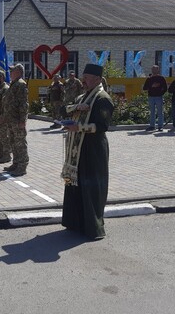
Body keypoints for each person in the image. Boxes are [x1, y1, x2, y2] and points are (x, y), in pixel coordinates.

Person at [61, 63, 114, 240]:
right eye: (84, 77)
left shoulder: (102, 98)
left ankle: (94, 227)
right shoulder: (83, 97)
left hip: (93, 149)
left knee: (91, 187)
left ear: (98, 79)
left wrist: (79, 128)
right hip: (77, 150)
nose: (84, 80)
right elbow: (64, 109)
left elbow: (103, 126)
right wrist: (75, 110)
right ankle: (76, 222)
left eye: (88, 78)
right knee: (76, 185)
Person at [2, 63, 29, 177]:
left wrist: (23, 120)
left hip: (18, 120)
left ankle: (22, 167)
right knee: (13, 142)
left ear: (18, 72)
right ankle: (16, 163)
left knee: (20, 143)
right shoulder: (13, 84)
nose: (10, 73)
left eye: (12, 71)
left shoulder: (21, 84)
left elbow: (23, 104)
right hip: (11, 119)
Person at [142, 65, 168, 132]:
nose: (154, 70)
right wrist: (151, 86)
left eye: (156, 69)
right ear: (151, 70)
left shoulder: (161, 78)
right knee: (152, 112)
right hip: (151, 97)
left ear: (158, 70)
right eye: (153, 69)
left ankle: (160, 126)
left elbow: (165, 88)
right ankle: (152, 126)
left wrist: (160, 93)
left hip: (159, 97)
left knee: (160, 112)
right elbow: (144, 88)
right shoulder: (149, 79)